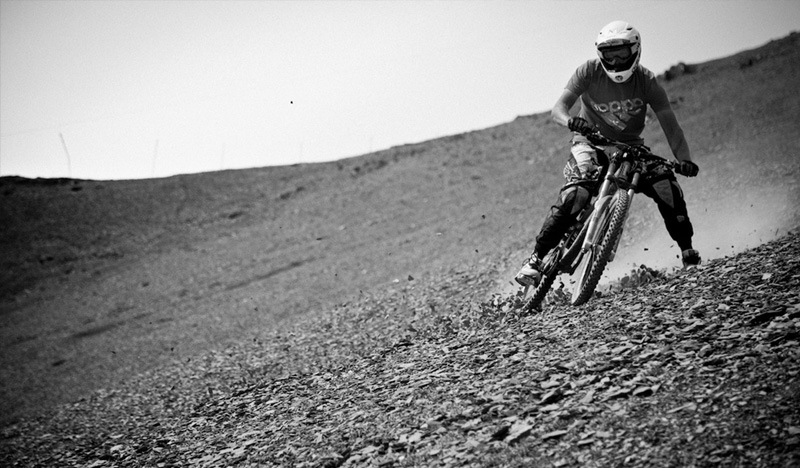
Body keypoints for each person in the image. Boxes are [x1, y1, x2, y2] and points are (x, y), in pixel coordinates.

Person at [515, 20, 701, 288]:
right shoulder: (589, 71)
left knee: (665, 184)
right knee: (576, 194)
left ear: (635, 51)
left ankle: (688, 252)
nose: (614, 61)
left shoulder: (647, 81)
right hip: (589, 144)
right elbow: (558, 109)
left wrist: (685, 161)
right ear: (599, 54)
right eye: (608, 54)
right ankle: (535, 260)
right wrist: (571, 121)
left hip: (631, 149)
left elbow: (671, 127)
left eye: (621, 54)